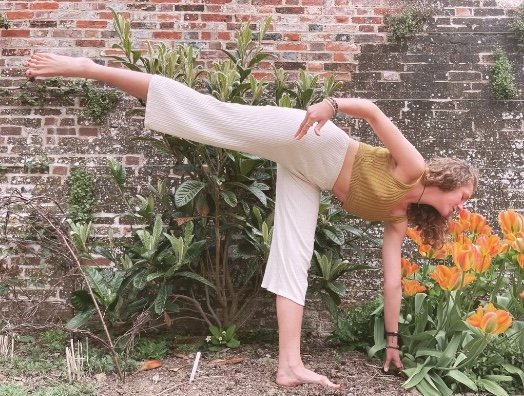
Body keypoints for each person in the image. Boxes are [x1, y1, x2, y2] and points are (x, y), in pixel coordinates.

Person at [26, 53, 478, 388]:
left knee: (293, 258)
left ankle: (289, 365)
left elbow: (392, 283)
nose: (463, 205)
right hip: (315, 138)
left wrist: (394, 344)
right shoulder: (414, 168)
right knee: (211, 116)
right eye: (464, 195)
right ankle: (87, 66)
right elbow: (375, 114)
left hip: (307, 174)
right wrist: (331, 105)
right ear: (451, 179)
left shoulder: (399, 218)